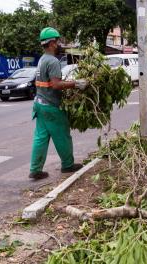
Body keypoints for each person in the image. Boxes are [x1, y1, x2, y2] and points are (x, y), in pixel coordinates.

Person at [29, 27, 88, 180]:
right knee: (62, 135)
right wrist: (76, 84)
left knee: (41, 137)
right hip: (51, 106)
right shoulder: (53, 61)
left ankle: (35, 169)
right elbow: (55, 84)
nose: (60, 44)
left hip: (39, 104)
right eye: (57, 41)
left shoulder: (42, 59)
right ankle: (67, 165)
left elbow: (47, 83)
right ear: (52, 43)